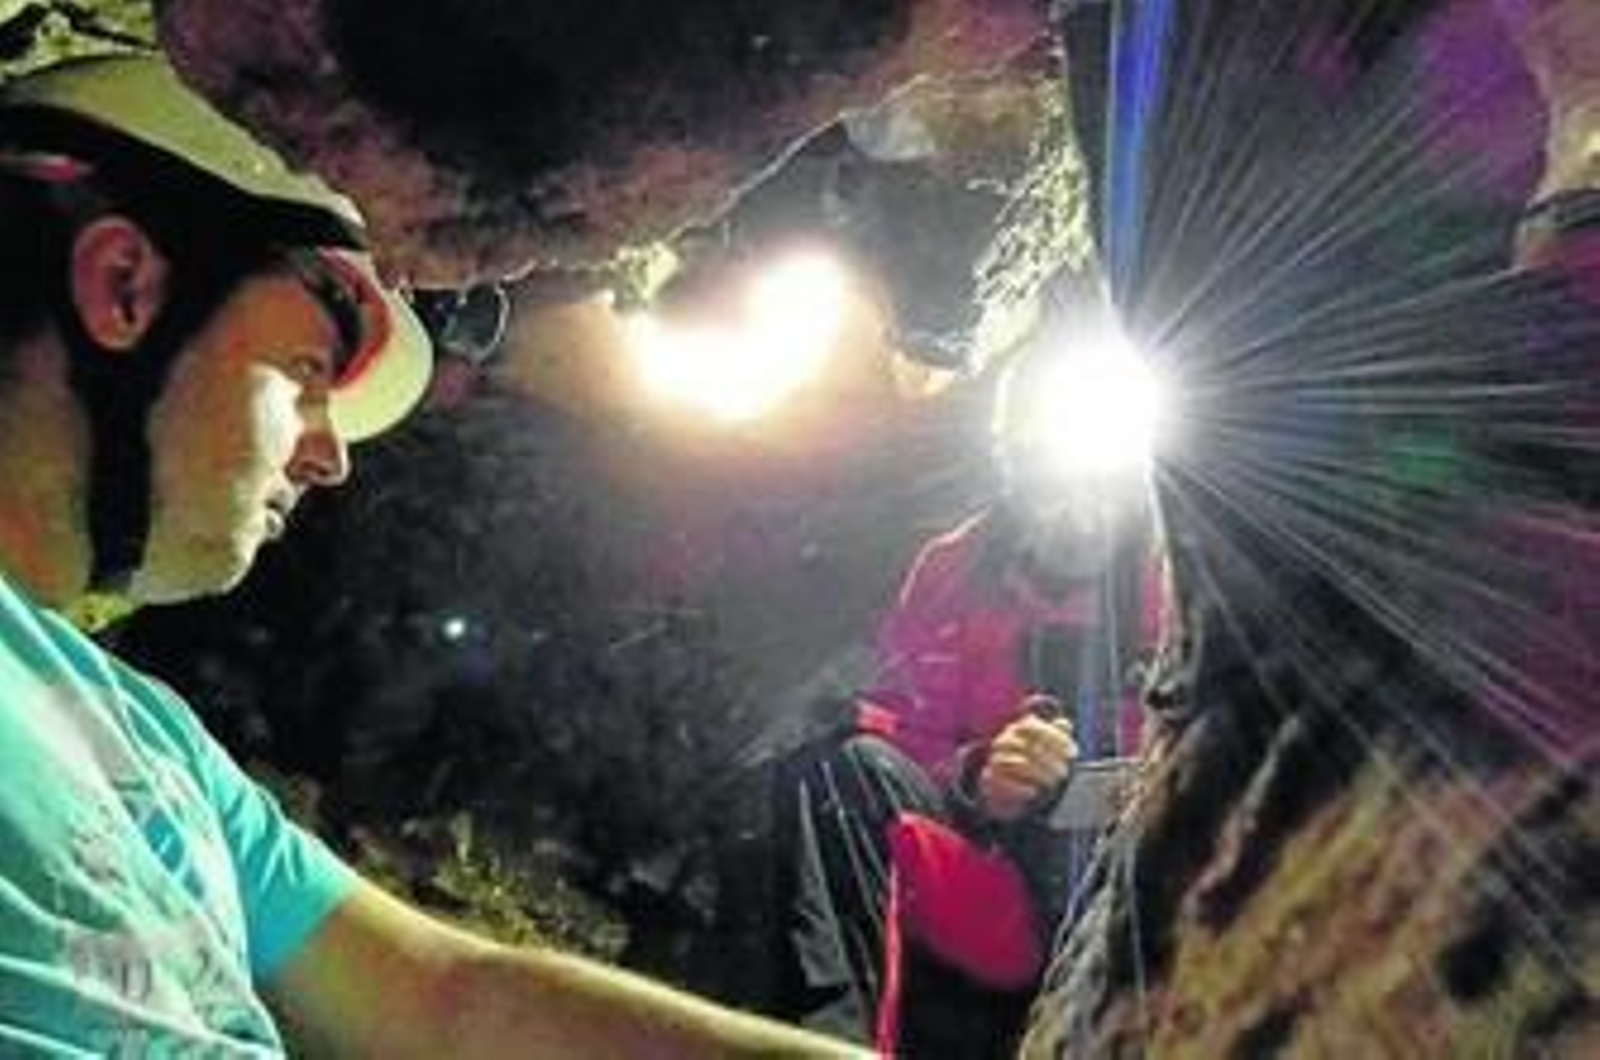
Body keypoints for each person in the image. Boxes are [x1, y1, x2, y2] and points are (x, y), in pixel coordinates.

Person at [0, 52, 868, 1057]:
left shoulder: (148, 738)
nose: (329, 456)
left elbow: (447, 998)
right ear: (124, 287)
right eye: (308, 370)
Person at [771, 337, 1165, 1056]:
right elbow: (900, 726)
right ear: (1011, 471)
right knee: (842, 771)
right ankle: (830, 1046)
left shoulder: (1177, 582)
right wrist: (979, 774)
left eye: (1100, 485)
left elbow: (1237, 755)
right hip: (999, 893)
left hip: (1137, 896)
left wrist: (1089, 791)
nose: (1078, 514)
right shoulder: (955, 567)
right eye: (1052, 482)